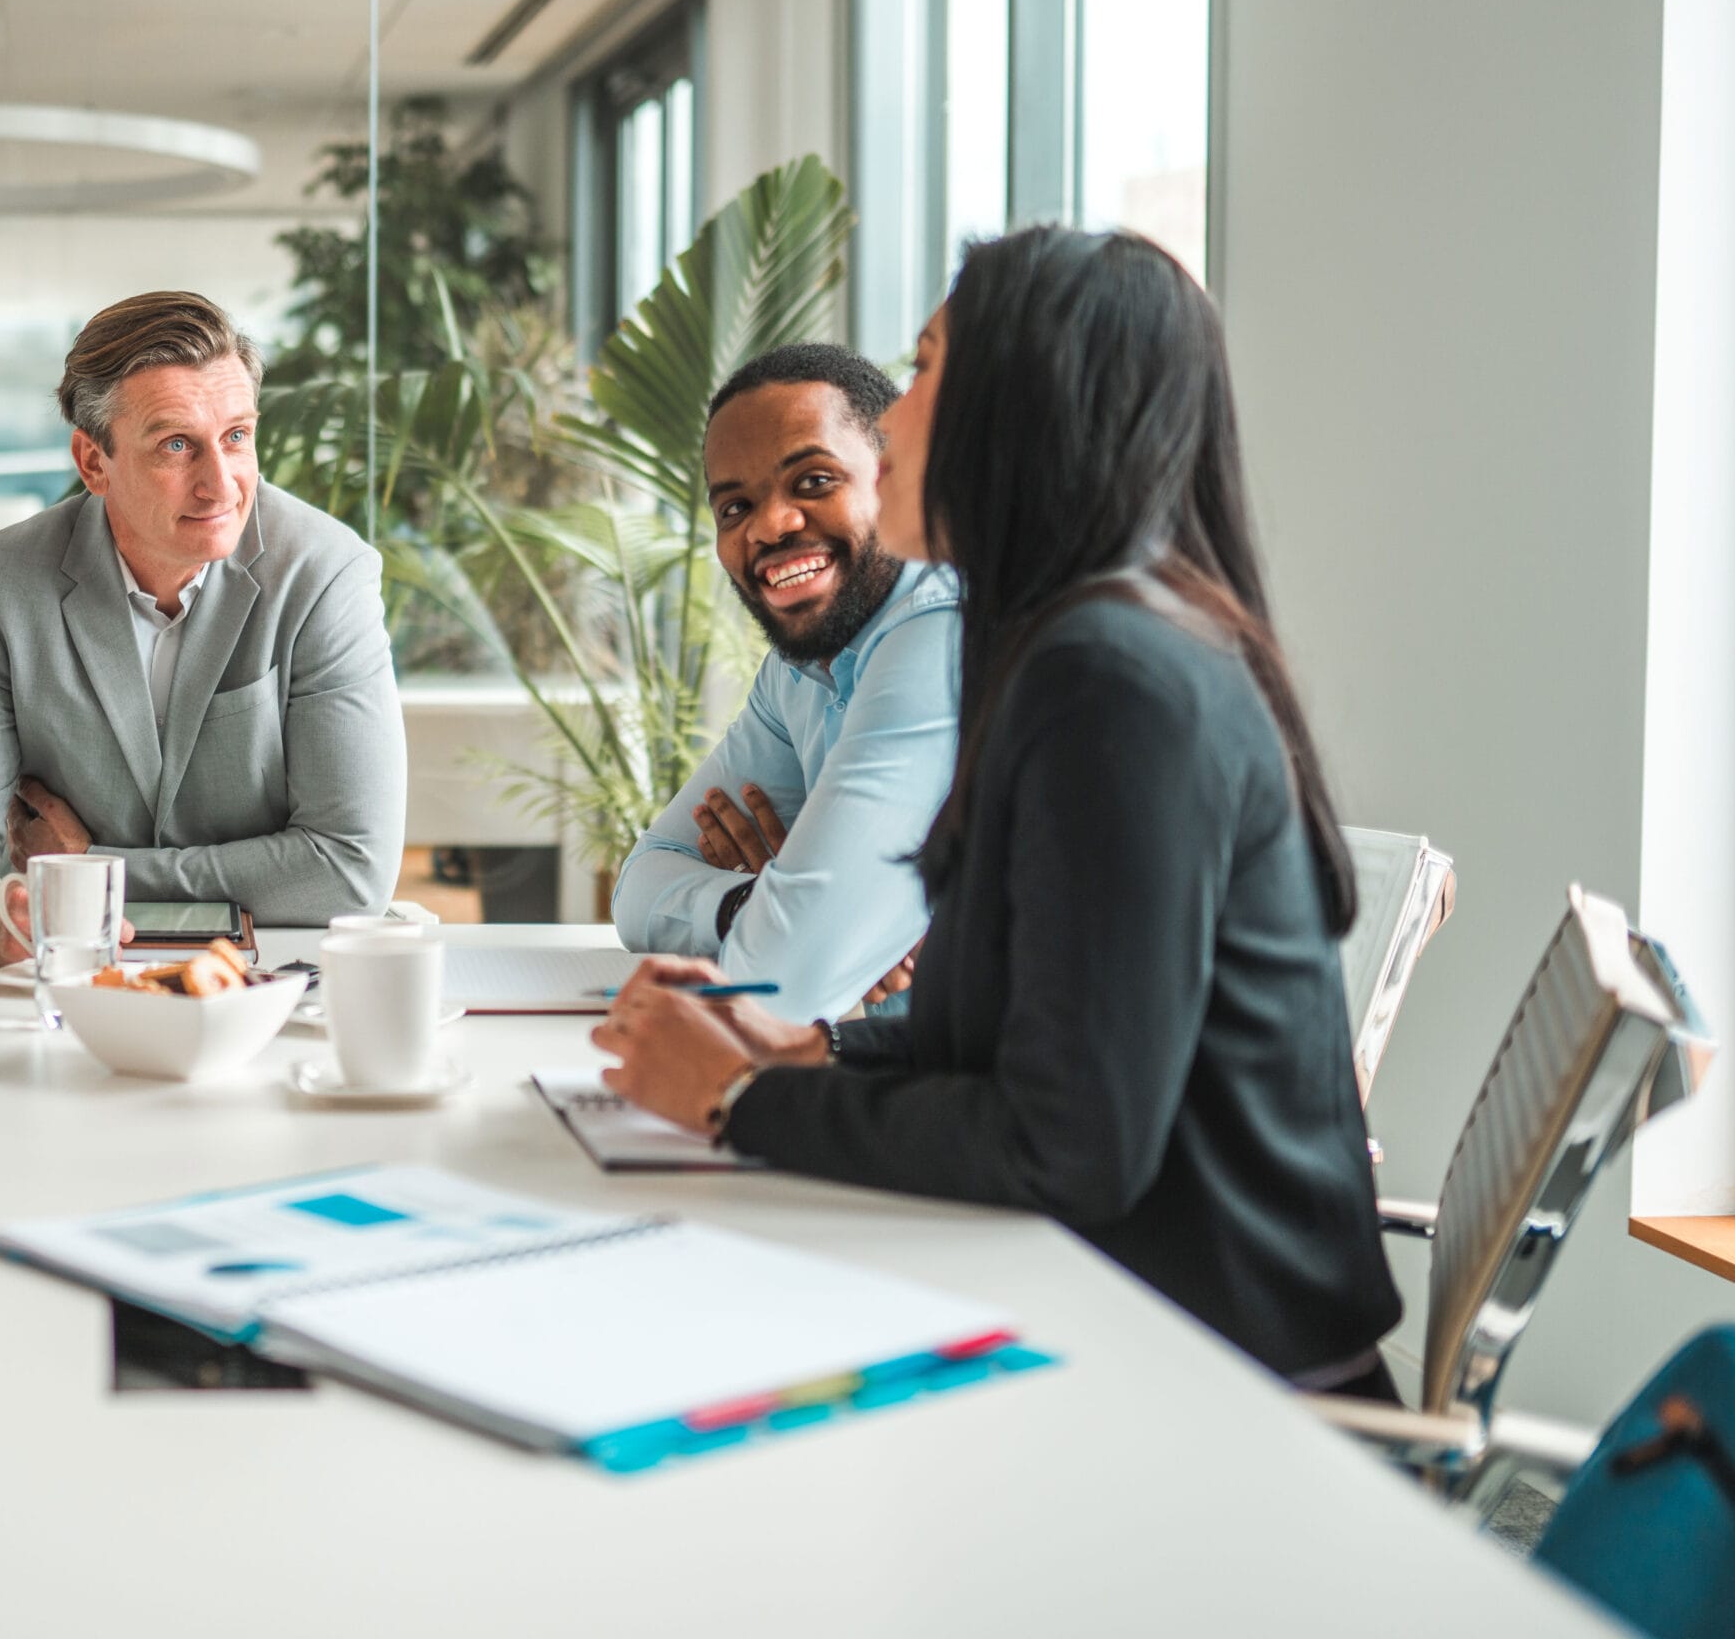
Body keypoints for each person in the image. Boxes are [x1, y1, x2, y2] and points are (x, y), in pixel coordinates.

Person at [593, 226, 1404, 1392]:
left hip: (1222, 1391)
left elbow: (1070, 1146)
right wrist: (819, 1045)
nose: (894, 419)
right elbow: (1050, 1029)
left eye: (922, 372)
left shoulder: (1110, 679)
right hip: (1132, 1317)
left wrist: (741, 1097)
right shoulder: (1078, 647)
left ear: (1022, 412)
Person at [0, 289, 404, 964]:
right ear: (93, 462)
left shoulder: (327, 576)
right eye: (177, 445)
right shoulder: (1, 583)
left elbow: (350, 866)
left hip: (276, 978)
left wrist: (90, 868)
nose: (221, 484)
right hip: (65, 969)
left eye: (237, 437)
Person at [609, 344, 958, 1021]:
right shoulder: (799, 670)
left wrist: (803, 925)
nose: (770, 526)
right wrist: (754, 902)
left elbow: (777, 983)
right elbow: (640, 884)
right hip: (893, 1080)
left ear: (895, 474)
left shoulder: (940, 631)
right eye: (734, 508)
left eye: (814, 481)